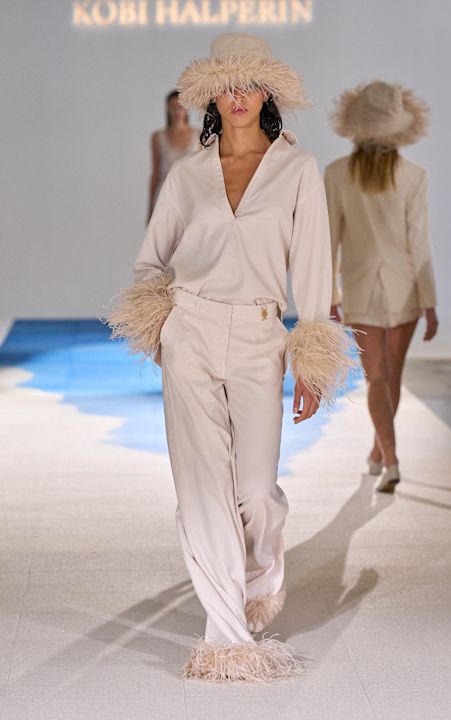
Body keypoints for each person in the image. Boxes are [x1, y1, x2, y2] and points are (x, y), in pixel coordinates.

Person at [108, 32, 355, 682]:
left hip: (258, 336)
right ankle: (225, 636)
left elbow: (313, 269)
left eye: (250, 84)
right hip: (189, 331)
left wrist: (311, 357)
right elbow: (150, 262)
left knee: (254, 491)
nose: (238, 96)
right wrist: (163, 328)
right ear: (210, 94)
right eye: (226, 85)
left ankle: (261, 571)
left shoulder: (297, 170)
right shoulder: (189, 175)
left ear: (268, 91)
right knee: (201, 490)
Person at [324, 81, 438, 493]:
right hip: (405, 288)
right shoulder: (414, 176)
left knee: (378, 378)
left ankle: (382, 455)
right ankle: (388, 458)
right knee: (390, 378)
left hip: (360, 289)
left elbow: (330, 240)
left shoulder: (336, 174)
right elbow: (419, 244)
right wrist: (429, 303)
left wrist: (330, 295)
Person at [146, 90, 200, 224]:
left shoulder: (199, 135)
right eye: (173, 107)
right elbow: (155, 173)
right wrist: (150, 208)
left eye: (180, 107)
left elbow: (203, 171)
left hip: (191, 194)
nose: (177, 112)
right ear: (167, 109)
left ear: (187, 109)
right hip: (165, 194)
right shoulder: (158, 137)